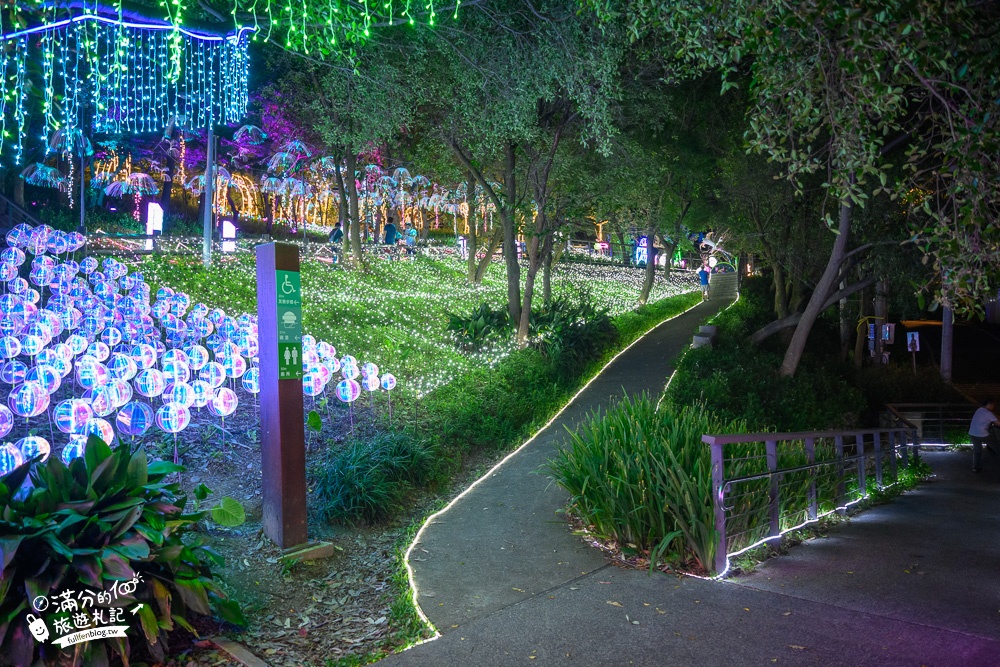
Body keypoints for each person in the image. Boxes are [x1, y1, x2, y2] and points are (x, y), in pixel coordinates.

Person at [968, 398, 1000, 472]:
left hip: (972, 433)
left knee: (977, 451)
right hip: (982, 434)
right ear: (989, 404)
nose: (993, 407)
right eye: (993, 405)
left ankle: (975, 467)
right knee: (997, 446)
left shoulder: (979, 410)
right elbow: (997, 423)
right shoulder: (988, 413)